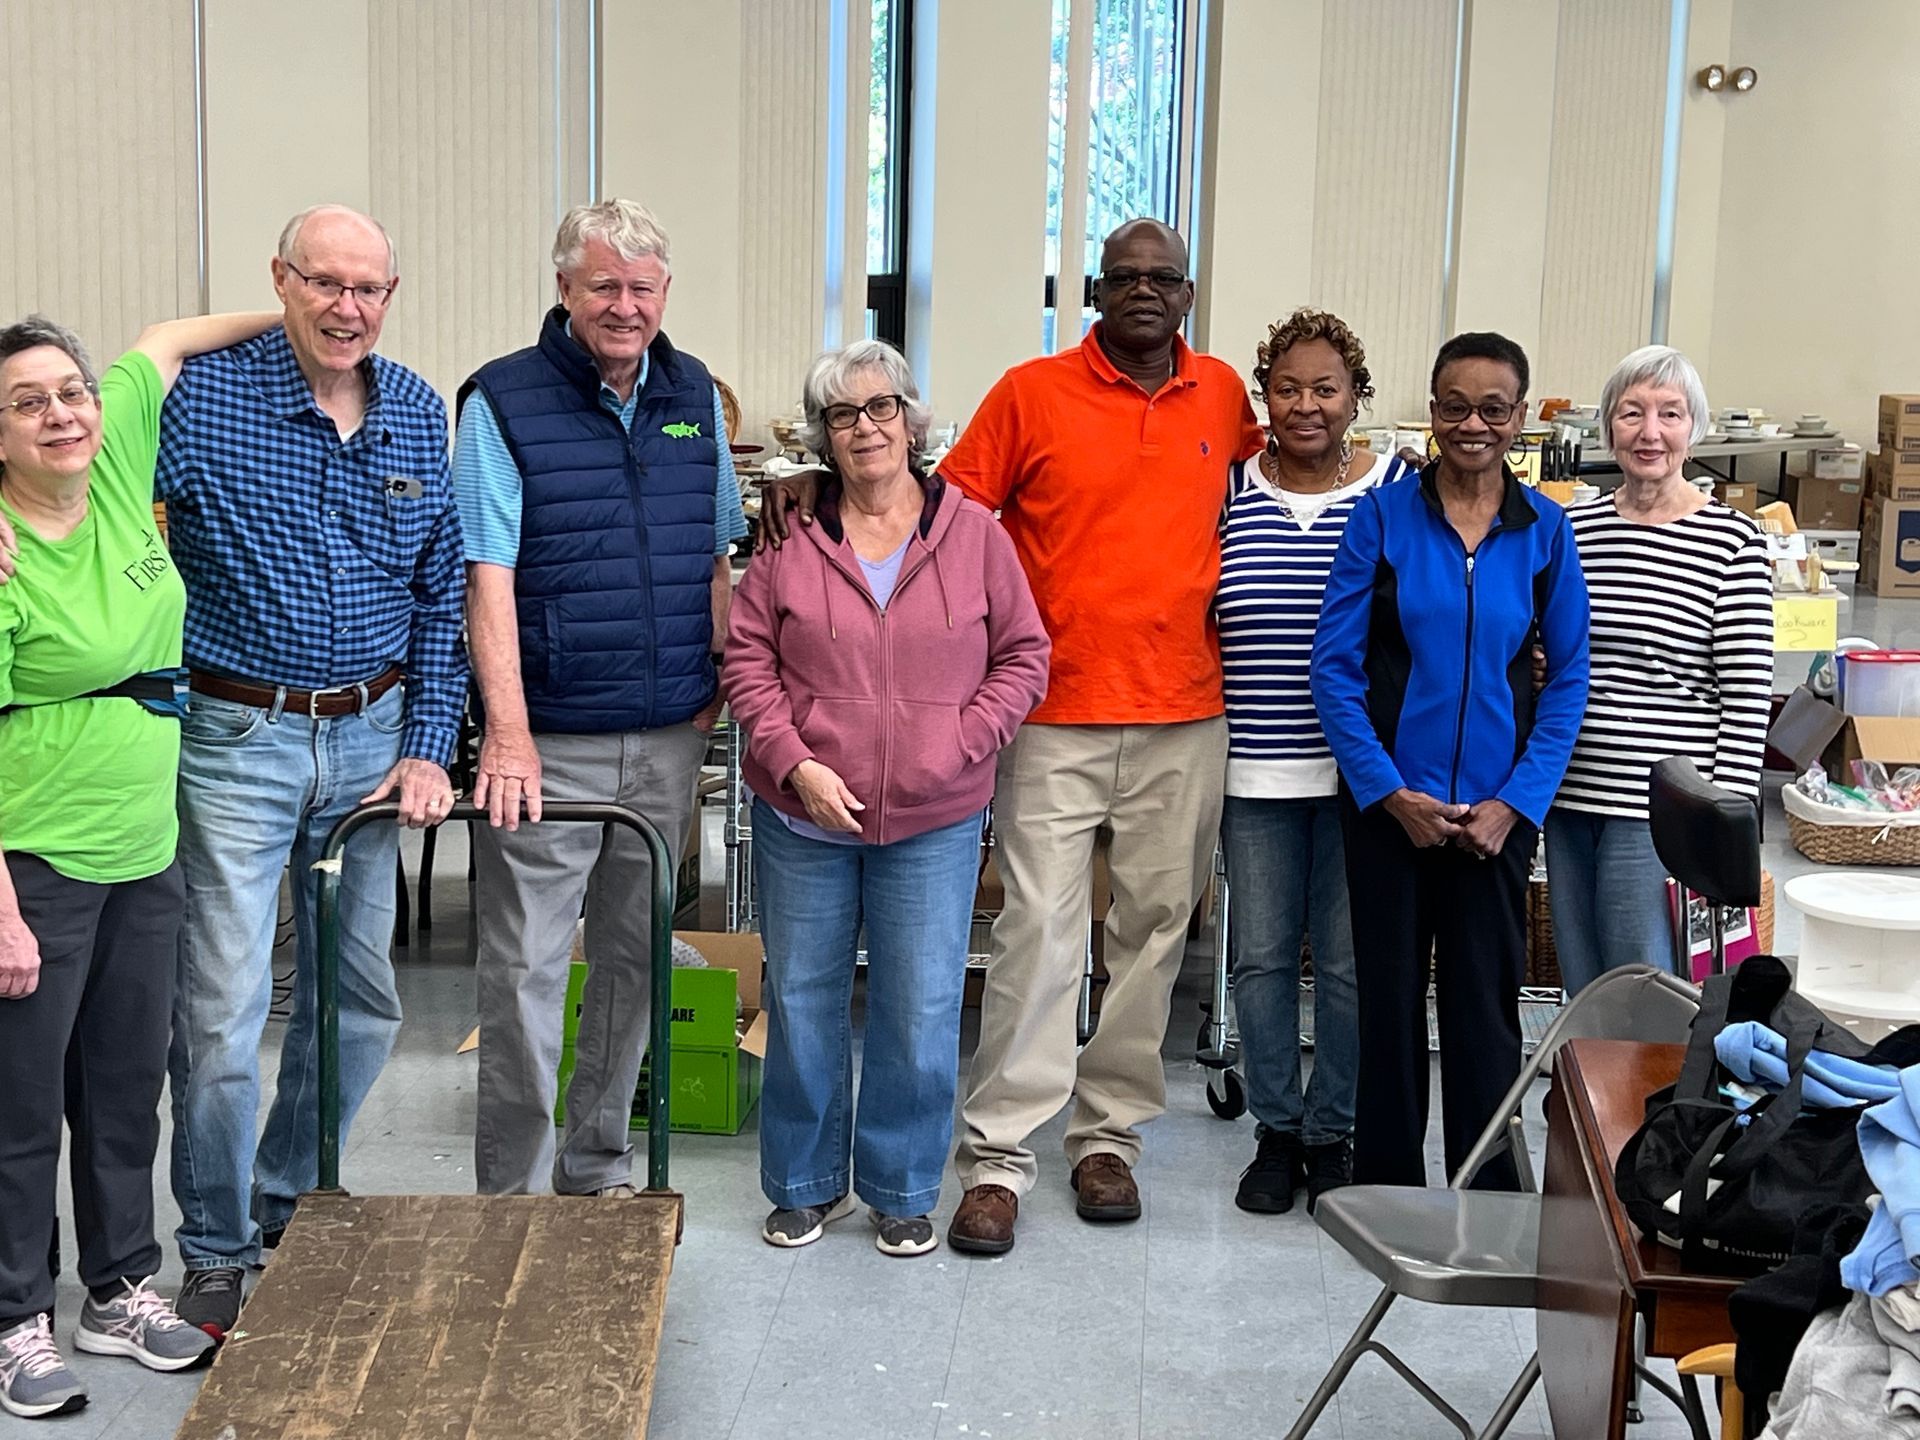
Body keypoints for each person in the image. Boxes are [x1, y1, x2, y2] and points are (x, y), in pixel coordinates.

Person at [766, 218, 1262, 1251]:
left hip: (1185, 709)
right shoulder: (1031, 394)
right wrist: (820, 477)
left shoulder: (1222, 395)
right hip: (1051, 719)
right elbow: (934, 512)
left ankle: (1109, 1139)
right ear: (1091, 289)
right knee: (1037, 933)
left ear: (1186, 291)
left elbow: (1271, 494)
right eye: (1120, 277)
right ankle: (998, 1157)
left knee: (1155, 933)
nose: (1141, 293)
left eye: (1160, 278)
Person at [161, 205, 467, 1339]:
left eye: (369, 289)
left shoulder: (417, 411)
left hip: (371, 745)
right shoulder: (202, 403)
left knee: (365, 1008)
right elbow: (80, 477)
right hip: (237, 741)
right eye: (325, 283)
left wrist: (433, 742)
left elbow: (440, 596)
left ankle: (287, 1200)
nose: (349, 308)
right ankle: (214, 1247)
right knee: (224, 1012)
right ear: (280, 280)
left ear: (393, 294)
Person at [0, 308, 279, 1415]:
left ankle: (117, 1288)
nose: (62, 412)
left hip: (146, 846)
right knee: (20, 1106)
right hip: (34, 861)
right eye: (29, 401)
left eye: (71, 390)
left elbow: (165, 339)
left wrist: (297, 304)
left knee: (123, 1089)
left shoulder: (115, 466)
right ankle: (17, 1314)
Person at [725, 340, 1049, 1256]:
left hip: (933, 819)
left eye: (881, 407)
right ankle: (802, 1181)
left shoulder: (975, 534)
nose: (864, 427)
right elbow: (749, 661)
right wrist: (792, 763)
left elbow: (1025, 656)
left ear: (913, 419)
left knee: (918, 1006)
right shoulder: (791, 539)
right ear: (825, 436)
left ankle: (904, 1186)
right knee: (803, 996)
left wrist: (963, 739)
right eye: (842, 414)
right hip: (804, 813)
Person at [453, 199, 747, 1198]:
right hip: (549, 743)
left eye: (642, 287)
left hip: (666, 736)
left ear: (665, 293)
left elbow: (716, 552)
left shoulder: (693, 392)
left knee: (633, 966)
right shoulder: (503, 400)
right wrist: (509, 732)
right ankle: (514, 1197)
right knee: (528, 976)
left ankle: (597, 1170)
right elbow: (485, 574)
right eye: (604, 285)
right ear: (566, 289)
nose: (625, 305)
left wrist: (711, 683)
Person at [1310, 331, 1590, 1190]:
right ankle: (1389, 1185)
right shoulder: (1382, 518)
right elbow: (1334, 667)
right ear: (1431, 413)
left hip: (1497, 821)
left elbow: (1570, 677)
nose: (1473, 424)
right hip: (1394, 812)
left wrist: (1517, 803)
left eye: (1494, 407)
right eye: (1455, 405)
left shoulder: (1545, 530)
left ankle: (1491, 1185)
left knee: (1484, 1008)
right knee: (1388, 1008)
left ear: (1518, 419)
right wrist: (1386, 791)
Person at [1217, 309, 1414, 1216]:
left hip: (1363, 777)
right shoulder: (1226, 488)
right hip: (1252, 768)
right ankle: (1277, 1128)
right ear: (1265, 393)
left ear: (1354, 396)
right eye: (1287, 387)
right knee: (1259, 961)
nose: (1305, 405)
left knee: (1344, 964)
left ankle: (1332, 1132)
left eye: (1324, 388)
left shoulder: (1396, 489)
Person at [1548, 345, 1772, 991]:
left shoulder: (1732, 541)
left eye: (1670, 414)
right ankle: (1587, 1095)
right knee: (1582, 989)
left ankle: (1655, 1097)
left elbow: (1748, 691)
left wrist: (1721, 822)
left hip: (1661, 811)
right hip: (1569, 796)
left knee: (1642, 987)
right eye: (1632, 413)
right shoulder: (1574, 529)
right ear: (1608, 428)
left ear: (1693, 428)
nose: (1650, 433)